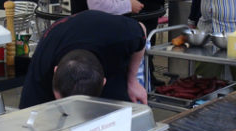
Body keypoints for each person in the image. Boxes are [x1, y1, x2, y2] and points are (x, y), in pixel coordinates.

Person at [19, 10, 148, 108]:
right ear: (55, 71)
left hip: (107, 46)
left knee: (116, 112)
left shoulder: (123, 35)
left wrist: (132, 81)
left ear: (103, 82)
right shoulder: (43, 65)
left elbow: (141, 29)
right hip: (63, 42)